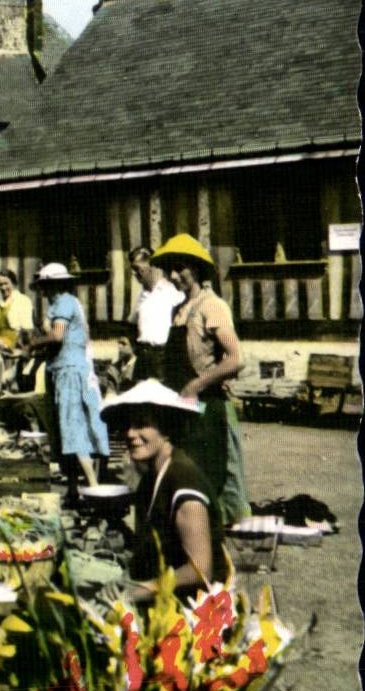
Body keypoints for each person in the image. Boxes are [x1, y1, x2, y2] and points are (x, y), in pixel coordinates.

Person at [151, 234, 251, 526]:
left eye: (179, 268)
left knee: (216, 474)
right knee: (185, 472)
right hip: (182, 406)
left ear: (195, 269)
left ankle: (218, 549)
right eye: (169, 269)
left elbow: (235, 359)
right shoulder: (177, 311)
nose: (173, 275)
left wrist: (197, 384)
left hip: (208, 406)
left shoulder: (212, 306)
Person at [102, 380, 227, 597]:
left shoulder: (184, 484)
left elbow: (199, 570)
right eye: (127, 425)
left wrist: (139, 591)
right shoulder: (152, 477)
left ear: (167, 428)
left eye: (141, 424)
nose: (130, 433)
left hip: (197, 609)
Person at [28, 262, 110, 498]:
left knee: (72, 425)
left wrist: (32, 343)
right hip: (65, 367)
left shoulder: (64, 302)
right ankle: (75, 487)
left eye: (44, 286)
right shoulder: (63, 303)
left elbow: (56, 336)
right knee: (67, 427)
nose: (43, 291)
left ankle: (92, 484)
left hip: (70, 371)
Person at [129, 246, 186, 383]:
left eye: (137, 268)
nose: (134, 273)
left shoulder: (171, 292)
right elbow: (132, 324)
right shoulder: (143, 295)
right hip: (142, 356)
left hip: (161, 357)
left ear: (151, 265)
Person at [0, 268, 34, 350]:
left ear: (14, 283)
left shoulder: (22, 300)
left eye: (6, 283)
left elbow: (28, 331)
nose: (3, 288)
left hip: (15, 348)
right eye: (0, 285)